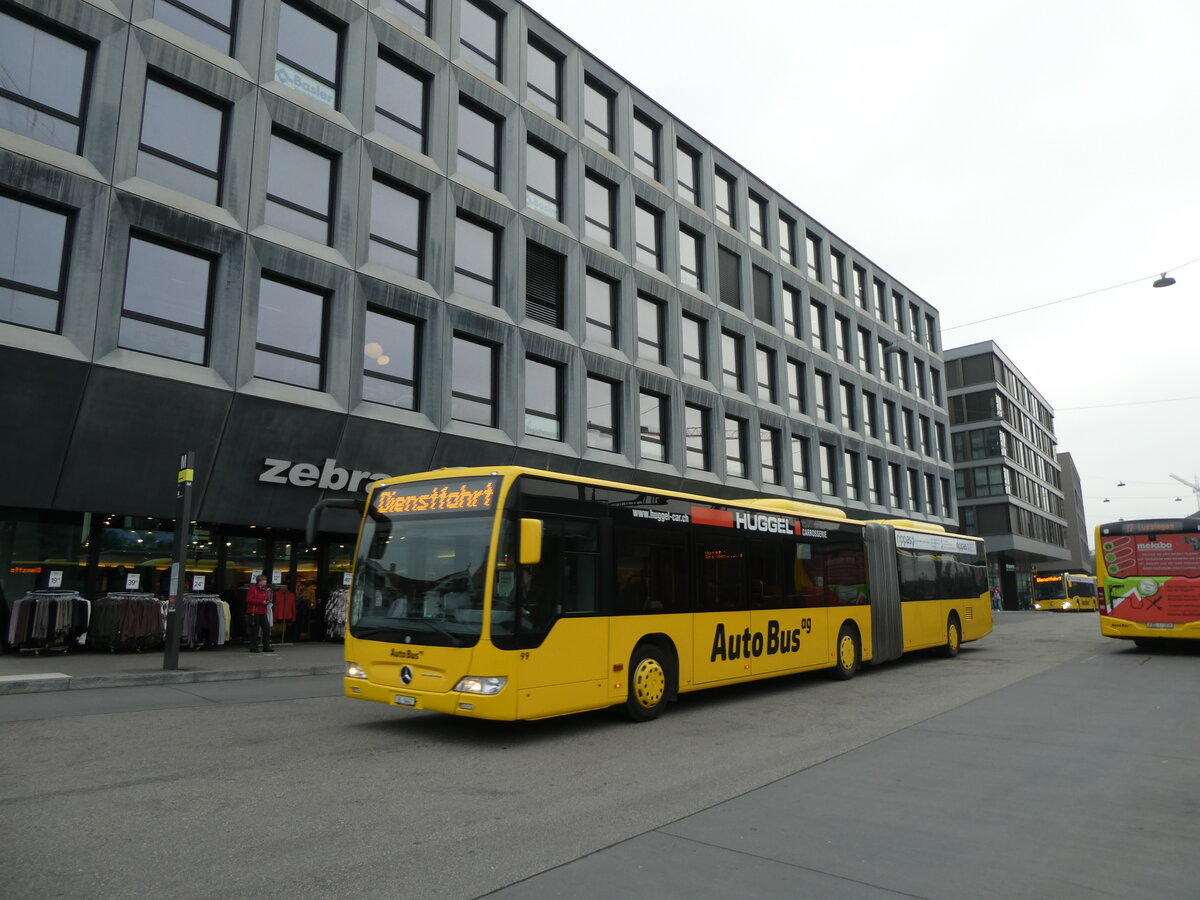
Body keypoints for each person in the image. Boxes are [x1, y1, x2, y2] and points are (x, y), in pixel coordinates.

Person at [246, 574, 274, 653]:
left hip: (263, 611)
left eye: (265, 580)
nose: (266, 582)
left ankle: (266, 646)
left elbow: (266, 598)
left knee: (266, 628)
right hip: (254, 612)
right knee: (255, 630)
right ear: (259, 581)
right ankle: (253, 647)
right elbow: (249, 599)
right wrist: (262, 602)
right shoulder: (252, 589)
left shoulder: (265, 590)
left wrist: (268, 601)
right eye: (264, 580)